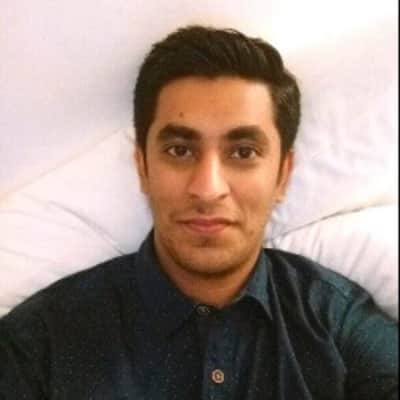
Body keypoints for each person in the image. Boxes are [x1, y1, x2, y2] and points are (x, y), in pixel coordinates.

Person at [0, 25, 397, 400]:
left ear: (282, 174)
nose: (208, 189)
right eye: (179, 150)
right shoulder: (39, 346)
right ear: (142, 167)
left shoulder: (339, 325)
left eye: (243, 152)